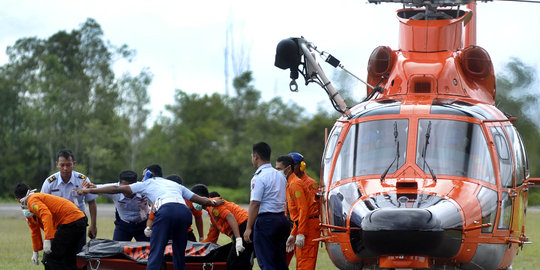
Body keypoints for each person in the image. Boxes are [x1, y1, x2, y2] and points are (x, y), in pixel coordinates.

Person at [76, 164, 223, 270]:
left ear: (149, 175)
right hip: (184, 214)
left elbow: (116, 188)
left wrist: (86, 190)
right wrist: (214, 202)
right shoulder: (173, 184)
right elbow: (200, 200)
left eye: (143, 174)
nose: (141, 178)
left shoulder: (147, 183)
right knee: (179, 253)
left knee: (156, 251)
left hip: (166, 211)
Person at [15, 183, 87, 270]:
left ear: (19, 199)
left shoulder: (32, 200)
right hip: (78, 221)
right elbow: (34, 231)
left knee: (50, 258)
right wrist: (36, 251)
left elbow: (46, 214)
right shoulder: (31, 208)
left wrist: (48, 238)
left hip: (71, 222)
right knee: (68, 258)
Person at [243, 142, 289, 270]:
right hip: (281, 219)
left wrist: (248, 228)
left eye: (252, 156)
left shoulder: (258, 177)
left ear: (256, 157)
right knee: (280, 262)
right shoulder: (280, 176)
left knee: (267, 261)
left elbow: (255, 203)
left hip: (266, 222)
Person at [40, 149, 97, 251]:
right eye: (62, 165)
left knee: (79, 253)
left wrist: (93, 225)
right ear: (57, 164)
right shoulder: (49, 182)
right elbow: (42, 205)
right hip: (58, 223)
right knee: (59, 254)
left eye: (68, 165)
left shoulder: (82, 180)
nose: (65, 168)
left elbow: (92, 202)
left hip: (78, 222)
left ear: (74, 164)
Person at [192, 184, 254, 270]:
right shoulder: (212, 217)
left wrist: (238, 238)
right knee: (233, 260)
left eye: (193, 199)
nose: (193, 202)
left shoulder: (213, 205)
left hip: (245, 226)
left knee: (233, 263)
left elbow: (230, 216)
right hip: (242, 228)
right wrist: (197, 247)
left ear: (199, 197)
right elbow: (211, 239)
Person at [276, 155, 321, 270]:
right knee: (300, 262)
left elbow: (304, 209)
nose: (278, 172)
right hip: (297, 225)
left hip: (307, 227)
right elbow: (295, 212)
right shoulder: (290, 184)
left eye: (279, 169)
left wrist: (300, 232)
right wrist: (293, 233)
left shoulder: (297, 184)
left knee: (304, 263)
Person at [82, 170, 151, 241]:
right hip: (123, 225)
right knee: (117, 250)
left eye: (129, 188)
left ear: (136, 185)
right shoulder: (113, 189)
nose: (126, 191)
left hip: (143, 225)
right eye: (123, 188)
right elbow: (96, 188)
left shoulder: (144, 188)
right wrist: (84, 189)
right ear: (119, 185)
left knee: (148, 249)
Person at [145, 174, 205, 242]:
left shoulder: (190, 198)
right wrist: (148, 228)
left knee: (193, 251)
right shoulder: (160, 199)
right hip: (166, 232)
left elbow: (198, 217)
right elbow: (151, 218)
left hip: (185, 232)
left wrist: (201, 236)